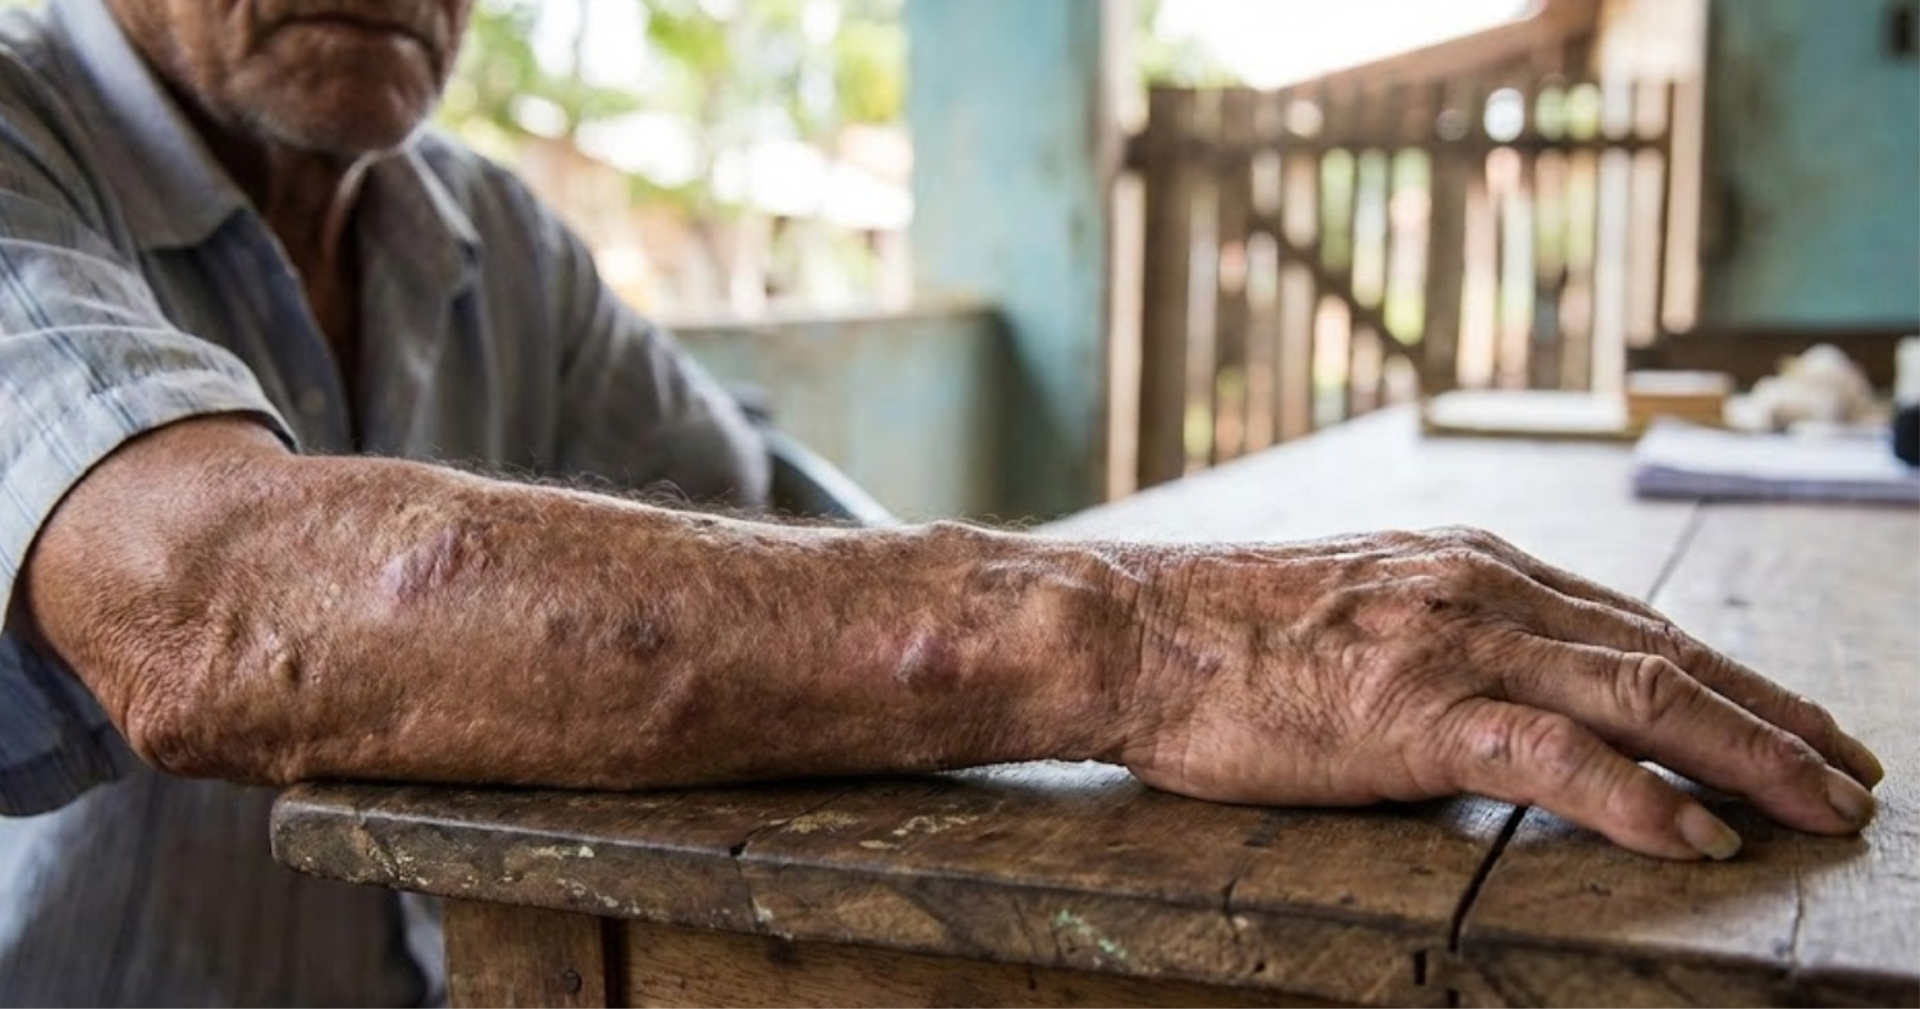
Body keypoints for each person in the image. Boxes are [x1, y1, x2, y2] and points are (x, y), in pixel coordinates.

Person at [0, 0, 1884, 1006]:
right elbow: (208, 605)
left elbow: (783, 510)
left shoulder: (485, 233)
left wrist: (1235, 629)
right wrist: (1142, 640)